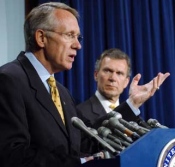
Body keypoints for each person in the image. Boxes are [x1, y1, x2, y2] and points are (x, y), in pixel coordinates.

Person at [0, 2, 170, 167]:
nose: (78, 45)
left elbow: (91, 139)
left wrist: (133, 103)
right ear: (41, 37)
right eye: (70, 35)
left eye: (78, 37)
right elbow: (11, 155)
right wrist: (79, 163)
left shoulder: (61, 92)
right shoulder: (8, 80)